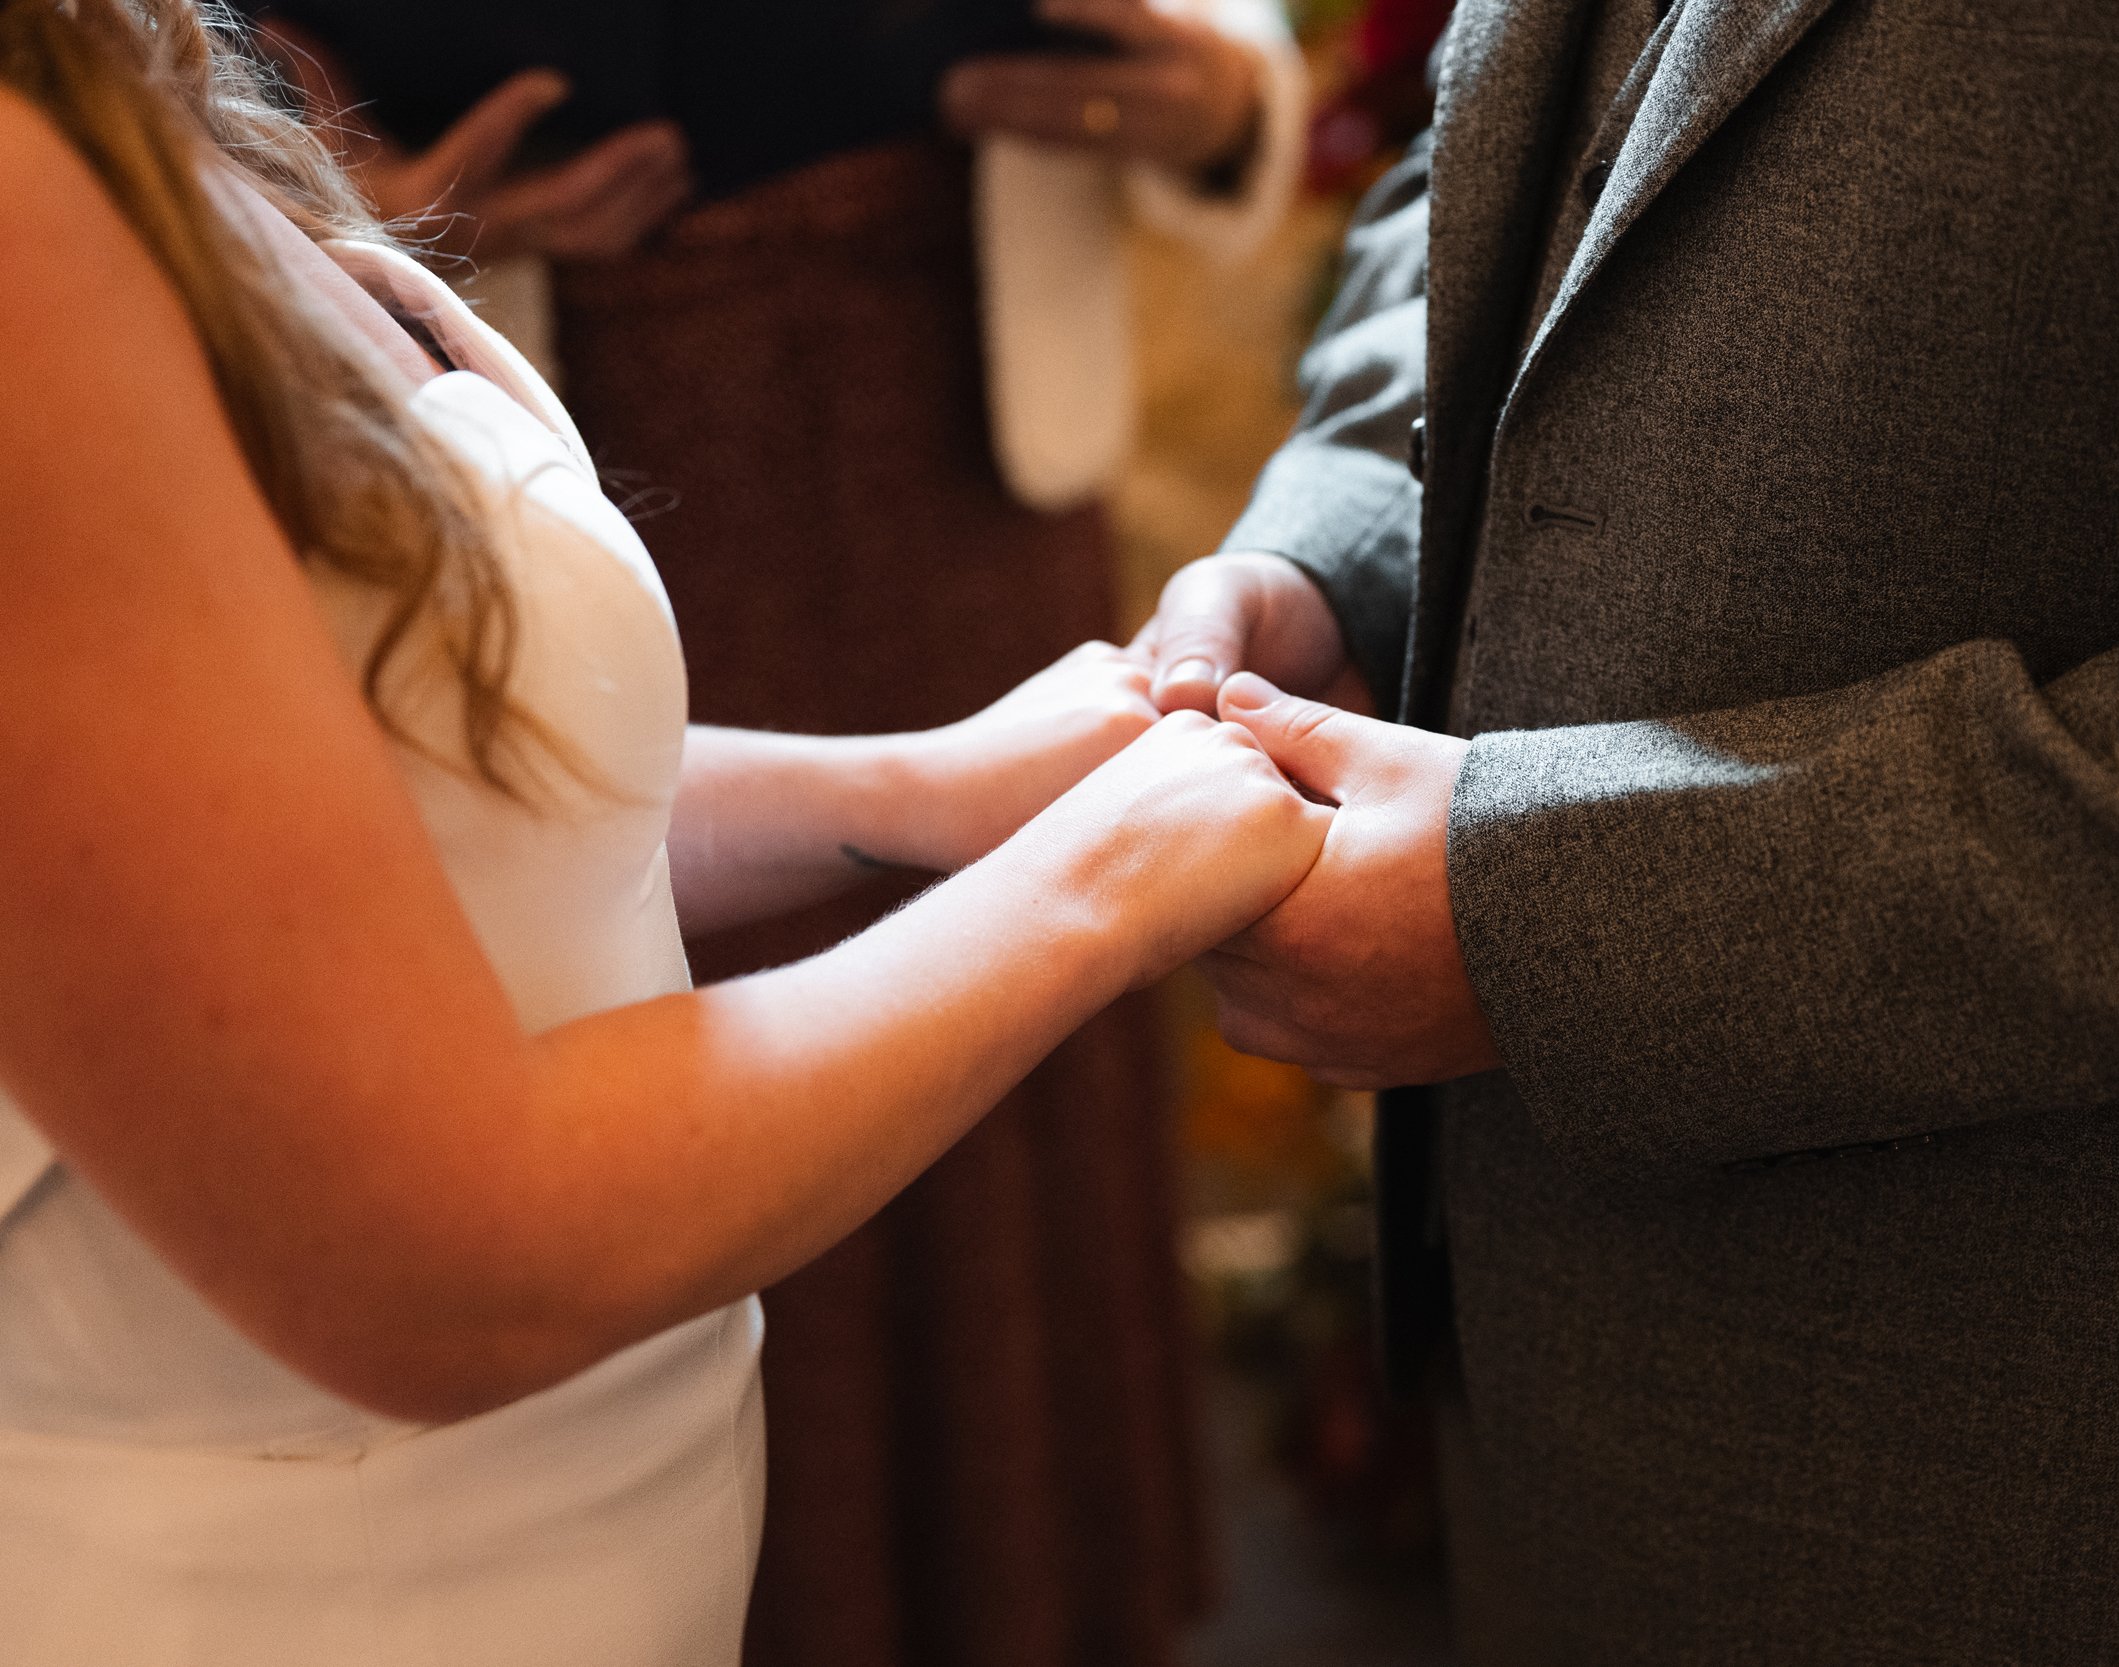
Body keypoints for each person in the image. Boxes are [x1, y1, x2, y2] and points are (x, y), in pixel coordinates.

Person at [1129, 0, 2119, 1658]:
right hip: (1555, 1392)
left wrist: (1570, 925)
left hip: (2100, 1449)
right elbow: (1511, 143)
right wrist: (1349, 535)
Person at [0, 6, 1331, 1665]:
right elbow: (448, 1256)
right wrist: (1096, 889)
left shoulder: (111, 88)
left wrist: (920, 786)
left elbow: (371, 779)